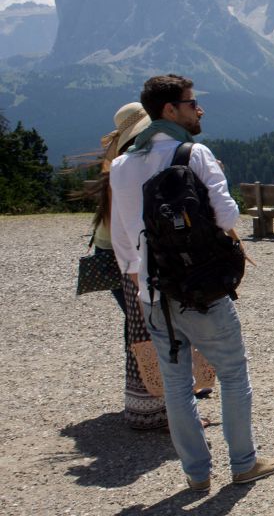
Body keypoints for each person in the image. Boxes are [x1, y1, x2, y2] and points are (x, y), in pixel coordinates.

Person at [110, 74, 274, 492]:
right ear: (170, 110)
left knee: (176, 386)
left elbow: (121, 240)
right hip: (203, 288)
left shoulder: (121, 164)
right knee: (233, 374)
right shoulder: (194, 153)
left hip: (153, 291)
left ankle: (196, 474)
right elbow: (227, 218)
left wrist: (143, 282)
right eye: (192, 102)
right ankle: (243, 462)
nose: (198, 108)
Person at [88, 102, 170, 430]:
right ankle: (158, 405)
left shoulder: (115, 169)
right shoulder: (126, 170)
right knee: (153, 331)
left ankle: (145, 400)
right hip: (129, 259)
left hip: (114, 256)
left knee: (138, 329)